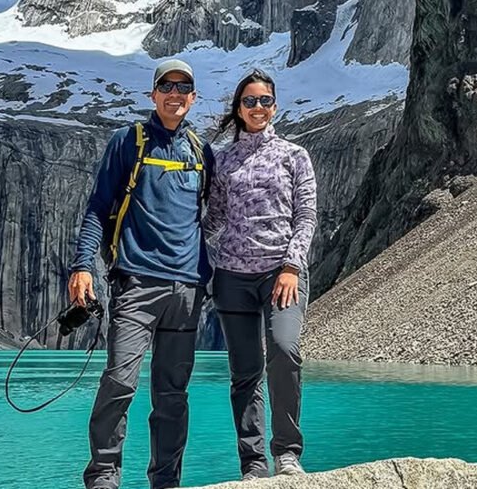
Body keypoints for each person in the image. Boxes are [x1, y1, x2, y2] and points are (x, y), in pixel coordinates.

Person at [68, 59, 213, 489]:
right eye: (166, 86)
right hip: (136, 283)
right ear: (153, 95)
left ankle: (166, 482)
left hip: (188, 289)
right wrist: (82, 265)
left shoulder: (202, 152)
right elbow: (98, 207)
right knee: (119, 382)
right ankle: (103, 478)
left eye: (183, 87)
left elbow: (216, 218)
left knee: (172, 396)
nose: (175, 93)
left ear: (193, 97)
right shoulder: (127, 142)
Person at [204, 68, 317, 481]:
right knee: (245, 370)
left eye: (264, 101)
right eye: (249, 101)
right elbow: (213, 219)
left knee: (285, 351)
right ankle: (252, 464)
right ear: (238, 108)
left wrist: (291, 266)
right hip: (231, 276)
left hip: (280, 274)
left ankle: (287, 452)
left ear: (275, 105)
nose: (257, 108)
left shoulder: (294, 155)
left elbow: (306, 217)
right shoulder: (223, 160)